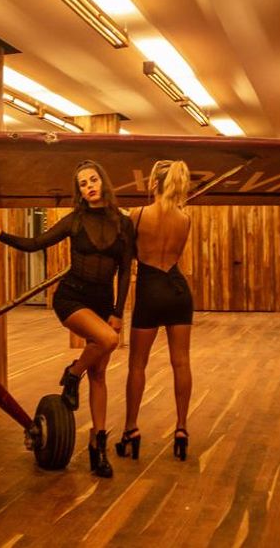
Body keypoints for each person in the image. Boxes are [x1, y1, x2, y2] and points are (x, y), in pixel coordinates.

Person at [0, 160, 134, 478]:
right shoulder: (75, 220)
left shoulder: (123, 223)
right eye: (83, 184)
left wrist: (118, 312)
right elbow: (35, 244)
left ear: (103, 182)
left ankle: (98, 447)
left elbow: (124, 271)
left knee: (99, 375)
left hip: (103, 302)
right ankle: (72, 374)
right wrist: (0, 233)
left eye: (93, 180)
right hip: (71, 298)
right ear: (79, 191)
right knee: (108, 340)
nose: (89, 186)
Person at [116, 160, 193, 462]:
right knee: (181, 363)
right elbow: (176, 254)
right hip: (178, 291)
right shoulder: (185, 219)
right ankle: (182, 429)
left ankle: (131, 429)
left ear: (153, 184)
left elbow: (130, 255)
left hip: (150, 291)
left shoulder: (137, 215)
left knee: (137, 365)